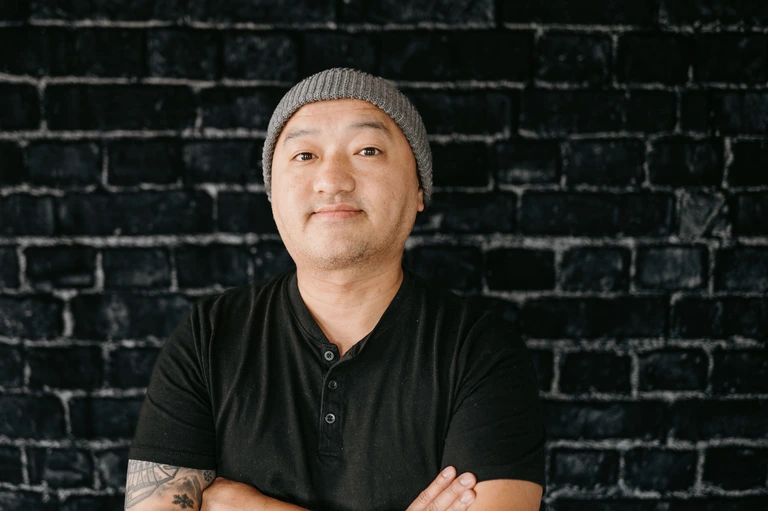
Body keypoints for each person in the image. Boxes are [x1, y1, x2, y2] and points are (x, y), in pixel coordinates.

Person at [125, 67, 546, 511]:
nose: (333, 180)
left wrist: (256, 508)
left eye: (367, 150)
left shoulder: (480, 351)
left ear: (420, 187)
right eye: (305, 156)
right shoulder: (209, 337)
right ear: (272, 195)